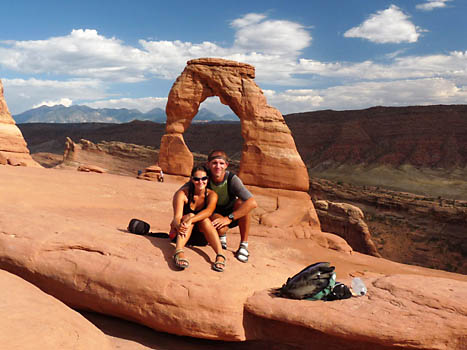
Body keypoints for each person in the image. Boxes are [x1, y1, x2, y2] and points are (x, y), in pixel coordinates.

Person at [170, 165, 225, 272]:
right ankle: (178, 251)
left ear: (207, 179)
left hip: (201, 238)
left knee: (204, 219)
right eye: (196, 179)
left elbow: (208, 211)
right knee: (189, 215)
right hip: (181, 234)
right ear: (191, 179)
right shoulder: (182, 194)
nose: (200, 182)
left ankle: (220, 254)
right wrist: (178, 226)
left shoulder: (211, 195)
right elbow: (176, 217)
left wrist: (191, 219)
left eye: (204, 179)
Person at [207, 150, 257, 263]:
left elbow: (252, 202)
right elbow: (183, 192)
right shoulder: (204, 178)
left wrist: (229, 218)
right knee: (221, 229)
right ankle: (222, 236)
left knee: (243, 204)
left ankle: (244, 245)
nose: (217, 166)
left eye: (221, 163)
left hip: (231, 214)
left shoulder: (232, 179)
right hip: (215, 213)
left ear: (226, 165)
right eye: (214, 163)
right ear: (208, 164)